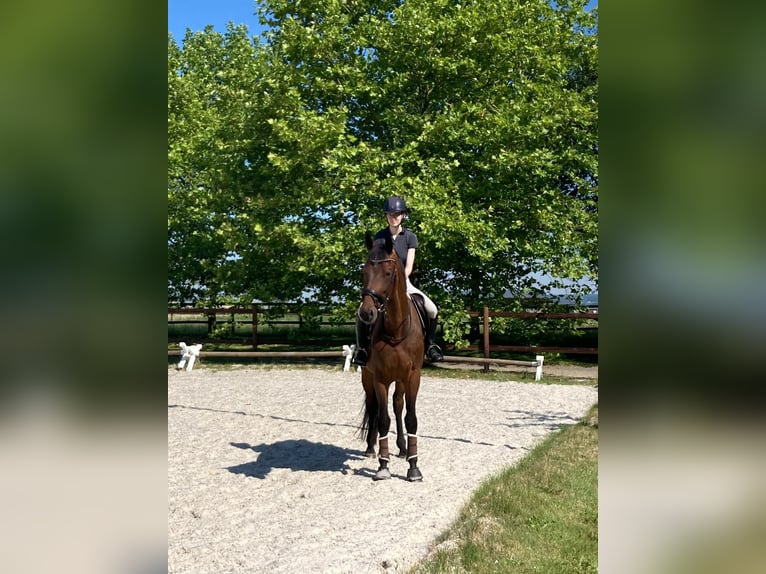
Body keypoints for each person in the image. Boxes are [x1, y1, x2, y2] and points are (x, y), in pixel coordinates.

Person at [352, 196, 444, 366]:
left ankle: (430, 344)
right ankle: (362, 349)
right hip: (382, 284)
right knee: (361, 312)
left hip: (404, 282)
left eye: (396, 214)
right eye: (389, 214)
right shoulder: (379, 237)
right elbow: (375, 264)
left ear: (403, 215)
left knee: (432, 309)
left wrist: (402, 281)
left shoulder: (410, 237)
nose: (392, 217)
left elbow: (409, 265)